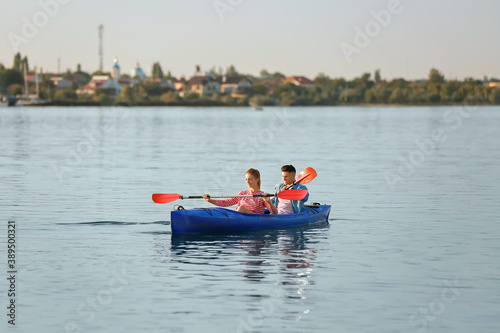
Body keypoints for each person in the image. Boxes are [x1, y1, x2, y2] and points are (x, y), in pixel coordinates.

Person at [203, 168, 277, 214]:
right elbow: (226, 203)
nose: (248, 182)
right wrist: (209, 200)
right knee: (240, 208)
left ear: (257, 180)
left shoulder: (262, 196)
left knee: (241, 208)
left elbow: (274, 213)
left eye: (250, 179)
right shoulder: (242, 194)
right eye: (246, 179)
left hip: (254, 219)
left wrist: (269, 202)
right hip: (239, 216)